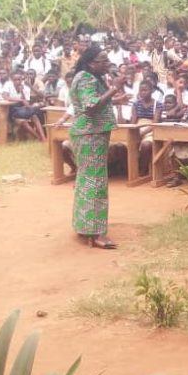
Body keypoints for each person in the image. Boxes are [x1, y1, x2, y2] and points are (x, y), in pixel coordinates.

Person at [69, 45, 128, 249]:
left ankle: (84, 225)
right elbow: (91, 106)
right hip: (90, 134)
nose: (108, 63)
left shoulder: (89, 77)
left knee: (87, 179)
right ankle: (96, 233)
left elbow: (95, 103)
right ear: (91, 62)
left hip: (90, 134)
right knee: (95, 182)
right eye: (103, 60)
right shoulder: (87, 78)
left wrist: (116, 98)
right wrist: (115, 87)